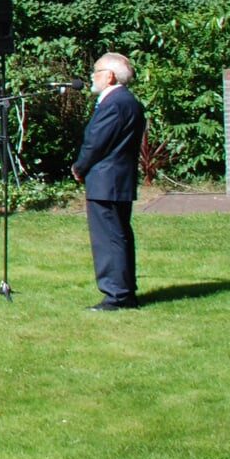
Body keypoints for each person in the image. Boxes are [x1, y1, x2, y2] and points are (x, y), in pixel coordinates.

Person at [73, 52, 147, 310]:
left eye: (96, 71)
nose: (92, 77)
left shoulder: (114, 103)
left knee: (108, 239)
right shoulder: (130, 102)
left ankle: (116, 294)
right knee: (119, 235)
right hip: (119, 179)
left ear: (110, 76)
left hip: (106, 180)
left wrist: (80, 167)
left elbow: (96, 143)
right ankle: (124, 290)